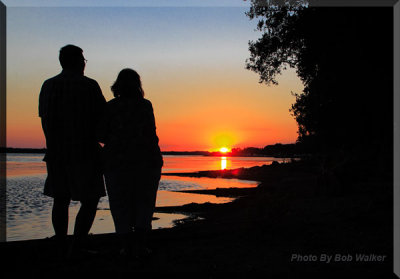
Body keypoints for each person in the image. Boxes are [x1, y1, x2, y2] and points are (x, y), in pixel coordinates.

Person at [38, 45, 106, 257]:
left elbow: (45, 120)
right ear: (78, 61)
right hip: (85, 152)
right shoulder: (89, 86)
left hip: (57, 151)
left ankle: (61, 242)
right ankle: (78, 244)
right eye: (83, 60)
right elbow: (102, 118)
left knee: (60, 198)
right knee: (91, 198)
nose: (84, 63)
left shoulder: (48, 85)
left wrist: (52, 143)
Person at [98, 68, 163, 258]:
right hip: (146, 162)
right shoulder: (145, 106)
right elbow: (151, 135)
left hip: (117, 163)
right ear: (138, 85)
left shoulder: (110, 107)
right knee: (144, 203)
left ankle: (126, 247)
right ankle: (140, 246)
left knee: (120, 205)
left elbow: (100, 134)